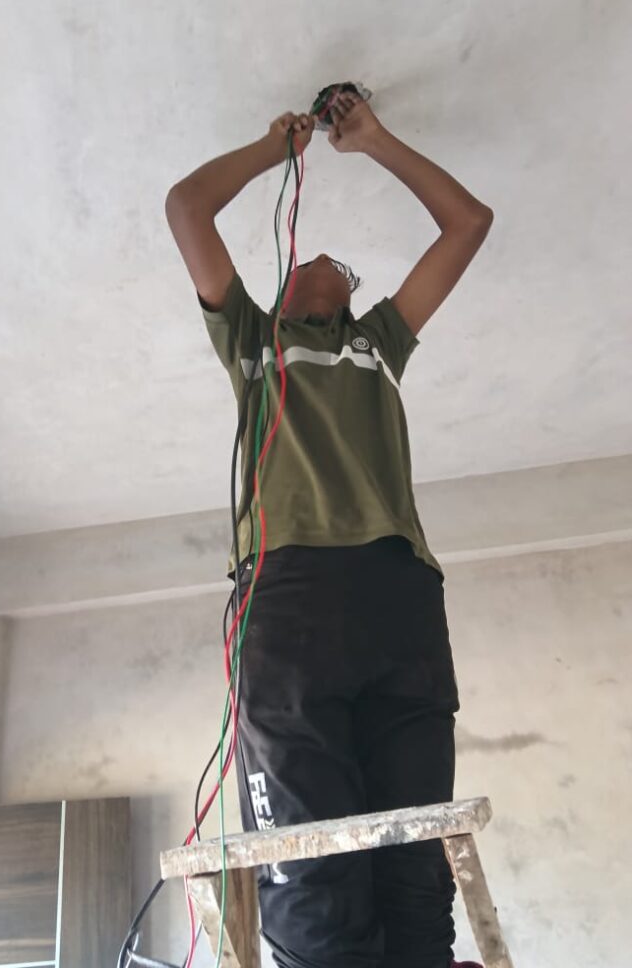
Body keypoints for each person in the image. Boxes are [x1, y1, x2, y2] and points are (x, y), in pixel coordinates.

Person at [165, 91, 492, 968]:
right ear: (279, 289)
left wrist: (375, 141)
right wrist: (273, 149)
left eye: (341, 265)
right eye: (308, 258)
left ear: (353, 296)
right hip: (290, 592)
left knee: (413, 854)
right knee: (312, 869)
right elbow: (187, 207)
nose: (321, 263)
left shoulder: (377, 344)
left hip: (399, 590)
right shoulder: (253, 344)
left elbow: (468, 224)